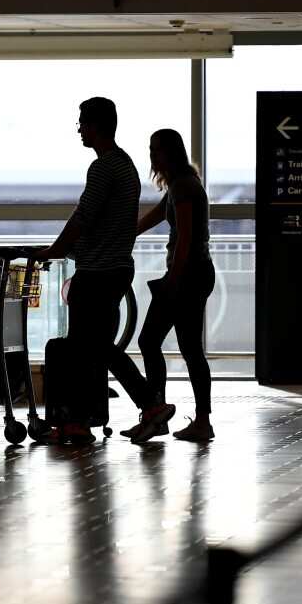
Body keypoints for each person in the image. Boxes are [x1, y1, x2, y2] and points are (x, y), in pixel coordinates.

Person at [35, 98, 176, 444]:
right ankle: (87, 420)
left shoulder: (102, 168)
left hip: (97, 271)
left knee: (88, 347)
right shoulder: (125, 165)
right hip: (116, 268)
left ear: (98, 125)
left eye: (83, 122)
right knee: (95, 348)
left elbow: (83, 217)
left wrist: (56, 250)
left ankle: (97, 418)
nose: (79, 128)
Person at [119, 128, 216, 444]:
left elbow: (186, 236)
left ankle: (158, 413)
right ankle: (194, 420)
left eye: (156, 150)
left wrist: (173, 279)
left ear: (171, 153)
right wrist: (119, 237)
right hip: (193, 274)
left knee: (149, 340)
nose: (151, 156)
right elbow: (149, 220)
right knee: (188, 349)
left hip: (187, 275)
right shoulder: (179, 185)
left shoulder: (184, 187)